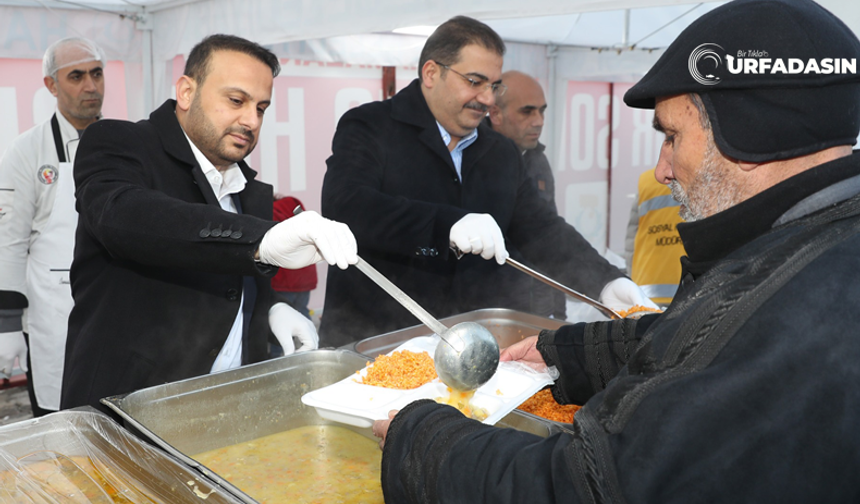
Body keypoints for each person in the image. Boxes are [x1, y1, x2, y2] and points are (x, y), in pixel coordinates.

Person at [372, 0, 860, 502]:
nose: (663, 169)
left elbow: (592, 486)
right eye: (476, 81)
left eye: (672, 135)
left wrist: (421, 441)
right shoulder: (813, 248)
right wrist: (566, 354)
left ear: (757, 135)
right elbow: (707, 341)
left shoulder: (798, 315)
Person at [60, 34, 357, 414]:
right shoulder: (120, 142)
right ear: (186, 92)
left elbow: (228, 280)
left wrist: (268, 309)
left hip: (227, 411)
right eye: (236, 100)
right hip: (130, 411)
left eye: (261, 108)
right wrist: (261, 240)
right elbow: (126, 217)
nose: (250, 120)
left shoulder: (248, 188)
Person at [320, 16, 654, 347]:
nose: (488, 99)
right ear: (432, 73)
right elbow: (347, 205)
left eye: (494, 85)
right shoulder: (370, 125)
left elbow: (541, 230)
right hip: (373, 341)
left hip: (469, 349)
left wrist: (605, 282)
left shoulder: (501, 152)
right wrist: (447, 225)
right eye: (475, 81)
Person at [0, 37, 106, 417]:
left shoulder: (125, 143)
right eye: (76, 76)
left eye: (96, 73)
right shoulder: (26, 152)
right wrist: (7, 324)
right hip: (52, 316)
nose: (91, 86)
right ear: (51, 85)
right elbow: (8, 240)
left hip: (112, 309)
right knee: (61, 426)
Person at [487, 70, 565, 319]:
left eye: (542, 110)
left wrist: (558, 311)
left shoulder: (538, 160)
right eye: (527, 111)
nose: (539, 120)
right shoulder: (472, 158)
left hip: (537, 305)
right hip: (489, 310)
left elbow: (549, 236)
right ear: (495, 113)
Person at [623, 167, 686, 306]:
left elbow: (632, 239)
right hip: (689, 291)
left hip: (645, 292)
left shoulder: (648, 180)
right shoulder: (709, 177)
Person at [269, 195, 319, 356]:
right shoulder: (294, 204)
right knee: (302, 314)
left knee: (280, 328)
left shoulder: (268, 213)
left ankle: (279, 360)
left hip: (283, 282)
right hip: (304, 278)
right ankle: (314, 352)